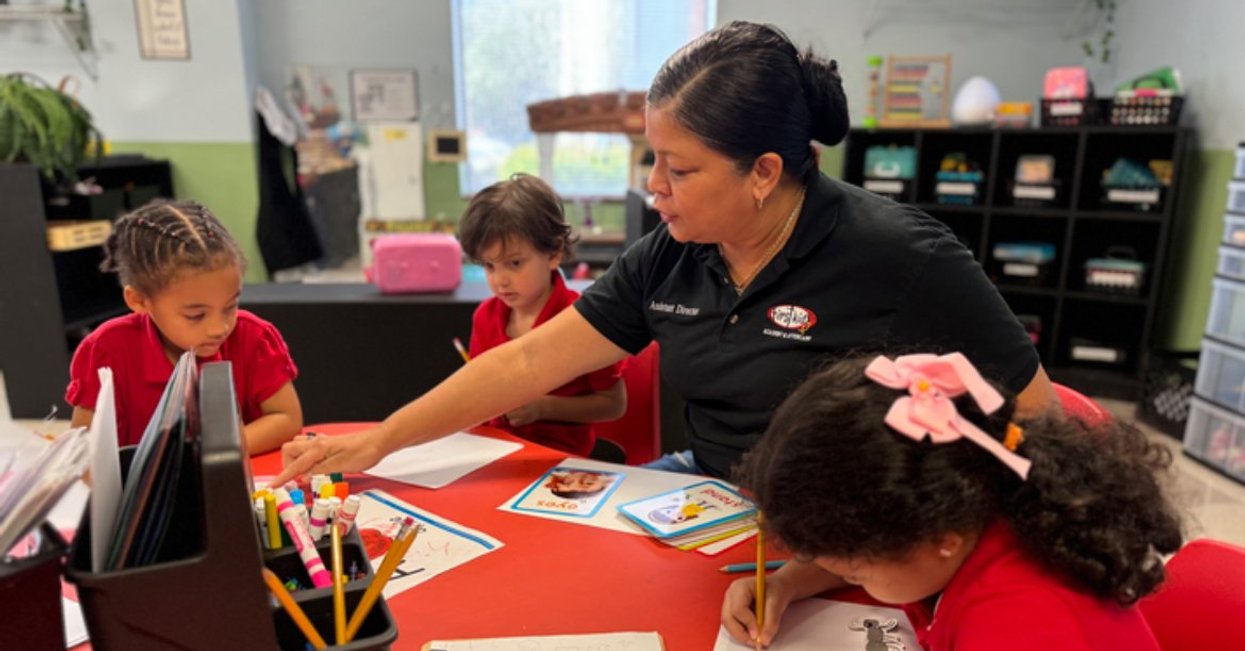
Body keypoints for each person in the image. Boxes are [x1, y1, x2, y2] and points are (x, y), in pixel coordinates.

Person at [274, 21, 1055, 485]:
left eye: (678, 170)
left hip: (839, 516)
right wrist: (376, 443)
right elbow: (520, 366)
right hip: (700, 492)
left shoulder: (899, 255)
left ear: (763, 174)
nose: (654, 187)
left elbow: (1034, 416)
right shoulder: (672, 254)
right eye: (652, 160)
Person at [691, 352, 1181, 651]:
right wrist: (787, 583)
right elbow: (881, 554)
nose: (845, 573)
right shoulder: (983, 502)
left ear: (937, 538)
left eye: (857, 572)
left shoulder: (1026, 633)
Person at [66, 200, 303, 455]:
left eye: (230, 307)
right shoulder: (106, 350)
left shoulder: (253, 337)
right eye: (196, 315)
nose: (219, 328)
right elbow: (84, 447)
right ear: (140, 301)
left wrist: (211, 452)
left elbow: (286, 418)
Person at [460, 174, 626, 457]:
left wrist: (542, 407)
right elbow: (476, 393)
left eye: (514, 263)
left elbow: (614, 404)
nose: (500, 280)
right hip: (493, 453)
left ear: (553, 253)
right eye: (489, 266)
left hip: (561, 461)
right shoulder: (485, 317)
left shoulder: (583, 320)